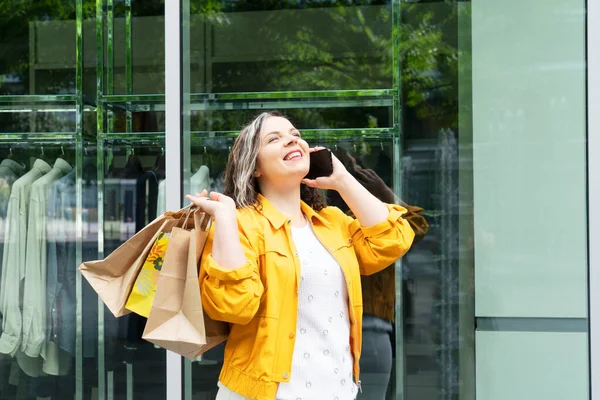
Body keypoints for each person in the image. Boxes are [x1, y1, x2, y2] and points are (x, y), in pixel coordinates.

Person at [185, 111, 415, 400]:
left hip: (337, 391)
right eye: (274, 138)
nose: (291, 141)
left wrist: (344, 180)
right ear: (254, 167)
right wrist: (226, 218)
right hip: (265, 393)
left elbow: (393, 240)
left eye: (295, 135)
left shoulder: (332, 222)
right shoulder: (240, 224)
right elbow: (234, 307)